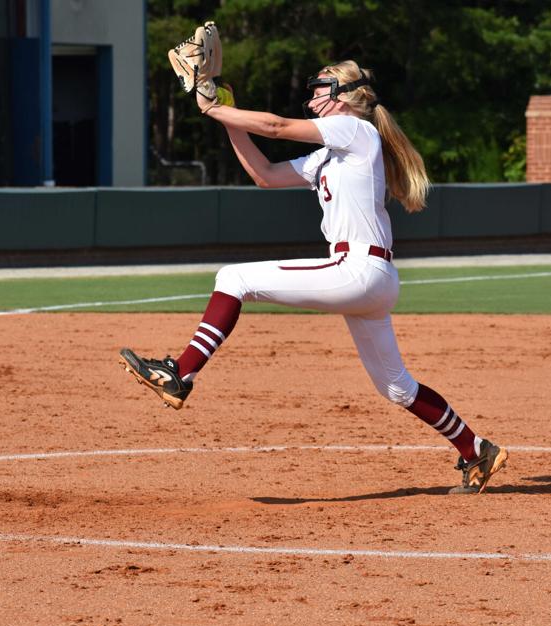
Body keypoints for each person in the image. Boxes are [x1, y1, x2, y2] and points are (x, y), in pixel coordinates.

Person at [120, 60, 507, 494]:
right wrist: (228, 115)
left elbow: (276, 126)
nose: (310, 98)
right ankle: (476, 449)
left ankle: (181, 373)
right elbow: (264, 176)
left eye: (318, 89)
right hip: (371, 278)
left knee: (234, 278)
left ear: (342, 95)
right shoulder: (330, 152)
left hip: (356, 269)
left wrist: (213, 109)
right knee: (397, 388)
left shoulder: (354, 129)